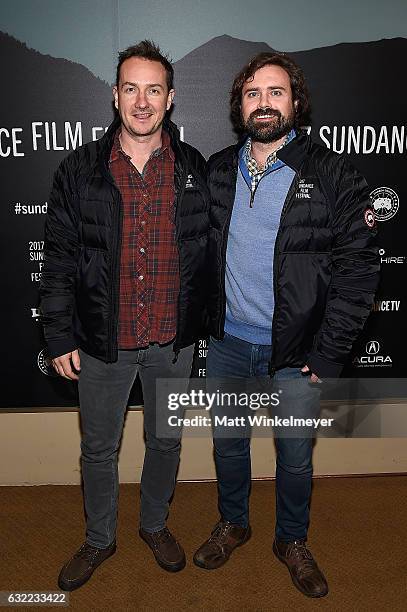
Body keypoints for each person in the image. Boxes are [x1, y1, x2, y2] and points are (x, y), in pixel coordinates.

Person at [194, 52, 379, 598]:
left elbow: (359, 268)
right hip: (228, 343)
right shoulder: (220, 169)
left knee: (295, 455)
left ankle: (291, 539)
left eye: (276, 92)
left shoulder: (332, 173)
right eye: (253, 94)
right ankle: (234, 523)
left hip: (296, 352)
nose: (264, 103)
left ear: (295, 103)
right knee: (229, 445)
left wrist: (327, 354)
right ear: (240, 106)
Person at [40, 40, 210, 591]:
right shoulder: (79, 171)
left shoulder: (193, 168)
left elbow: (211, 251)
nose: (142, 101)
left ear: (170, 99)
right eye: (131, 88)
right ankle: (99, 538)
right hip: (102, 343)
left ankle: (155, 525)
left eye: (153, 89)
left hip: (171, 342)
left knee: (165, 442)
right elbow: (60, 260)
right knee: (98, 448)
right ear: (115, 96)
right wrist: (58, 333)